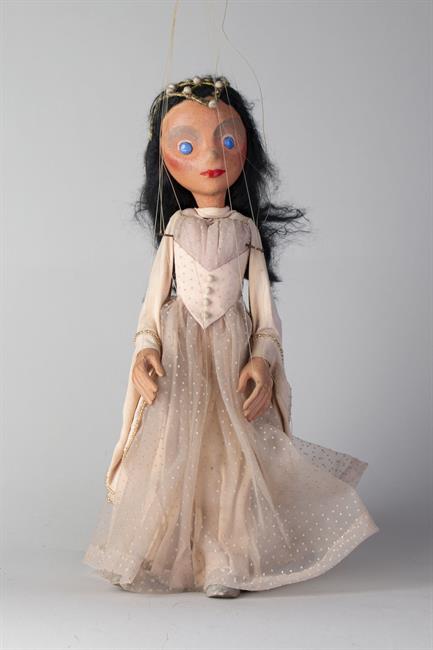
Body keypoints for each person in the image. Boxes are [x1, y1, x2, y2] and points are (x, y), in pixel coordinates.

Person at [82, 75, 379, 598]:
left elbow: (265, 314)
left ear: (248, 147)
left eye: (226, 139)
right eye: (187, 146)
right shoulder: (175, 229)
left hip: (230, 355)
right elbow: (150, 307)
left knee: (233, 454)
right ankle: (167, 547)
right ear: (164, 160)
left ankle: (226, 555)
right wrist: (146, 348)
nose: (211, 156)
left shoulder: (246, 231)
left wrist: (262, 359)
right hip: (180, 355)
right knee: (175, 447)